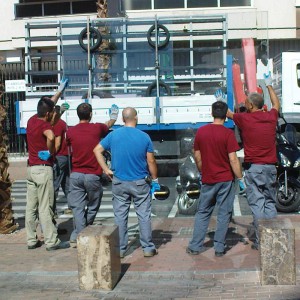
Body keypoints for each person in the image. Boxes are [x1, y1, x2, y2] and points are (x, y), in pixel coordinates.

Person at [93, 107, 160, 258]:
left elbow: (97, 150)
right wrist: (155, 180)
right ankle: (148, 247)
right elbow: (151, 160)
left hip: (119, 182)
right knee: (143, 215)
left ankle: (121, 249)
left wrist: (106, 169)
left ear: (123, 119)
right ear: (136, 118)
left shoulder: (113, 135)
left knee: (120, 216)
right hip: (140, 183)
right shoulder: (144, 137)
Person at [226, 73, 280, 250]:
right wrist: (268, 85)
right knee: (270, 203)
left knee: (257, 205)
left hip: (254, 169)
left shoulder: (245, 119)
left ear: (250, 105)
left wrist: (222, 99)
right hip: (271, 168)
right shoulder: (271, 117)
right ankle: (272, 239)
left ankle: (260, 241)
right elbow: (276, 104)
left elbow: (227, 113)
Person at [186, 101, 243, 257]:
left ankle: (195, 246)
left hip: (208, 178)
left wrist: (202, 169)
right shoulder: (228, 134)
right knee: (224, 213)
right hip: (226, 179)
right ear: (226, 116)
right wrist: (240, 177)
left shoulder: (201, 132)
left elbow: (197, 155)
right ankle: (219, 248)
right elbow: (233, 159)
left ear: (211, 113)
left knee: (203, 212)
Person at [25, 78, 70, 251]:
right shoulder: (46, 126)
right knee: (45, 206)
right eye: (53, 112)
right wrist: (51, 152)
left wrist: (59, 91)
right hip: (43, 169)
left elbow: (50, 104)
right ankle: (52, 241)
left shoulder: (31, 121)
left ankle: (31, 240)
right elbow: (51, 136)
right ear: (49, 113)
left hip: (30, 170)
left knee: (31, 206)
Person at [66, 103, 119, 246]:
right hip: (92, 176)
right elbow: (109, 124)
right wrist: (114, 115)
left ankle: (78, 233)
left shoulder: (70, 131)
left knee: (77, 208)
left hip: (76, 174)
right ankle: (82, 233)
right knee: (94, 204)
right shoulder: (96, 128)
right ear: (90, 114)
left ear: (78, 115)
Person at [53, 105, 71, 215]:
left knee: (54, 184)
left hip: (59, 156)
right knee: (66, 183)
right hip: (66, 156)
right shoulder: (62, 123)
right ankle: (72, 207)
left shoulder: (56, 124)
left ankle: (52, 210)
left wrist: (51, 154)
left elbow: (57, 142)